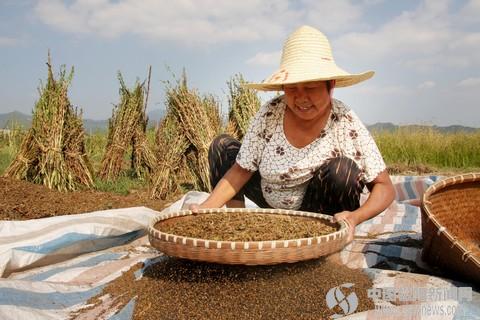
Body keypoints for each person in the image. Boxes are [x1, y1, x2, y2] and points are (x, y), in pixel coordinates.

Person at [190, 25, 395, 243]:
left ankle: (325, 244)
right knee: (222, 146)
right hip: (268, 197)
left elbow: (385, 188)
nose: (301, 98)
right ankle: (239, 227)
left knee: (342, 171)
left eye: (311, 87)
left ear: (331, 85)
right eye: (292, 88)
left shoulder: (344, 121)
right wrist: (206, 206)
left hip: (316, 212)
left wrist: (355, 217)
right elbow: (241, 169)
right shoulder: (270, 113)